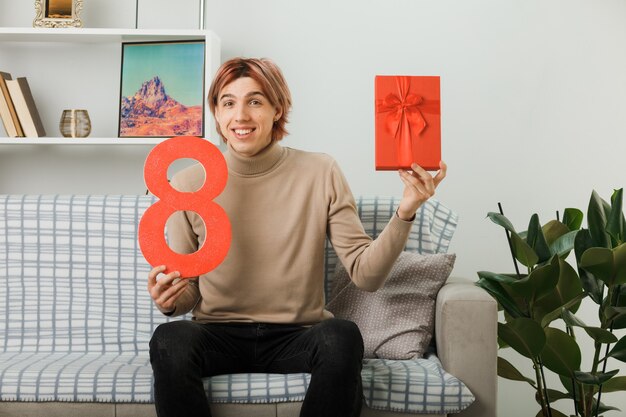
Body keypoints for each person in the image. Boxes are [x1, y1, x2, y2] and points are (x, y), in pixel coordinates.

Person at [147, 57, 446, 417]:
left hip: (299, 335)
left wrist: (406, 211)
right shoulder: (188, 184)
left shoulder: (320, 171)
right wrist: (168, 298)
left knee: (343, 335)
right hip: (217, 335)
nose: (240, 115)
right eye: (228, 102)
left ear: (277, 109)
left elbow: (366, 275)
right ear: (216, 112)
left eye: (255, 101)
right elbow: (187, 292)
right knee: (169, 339)